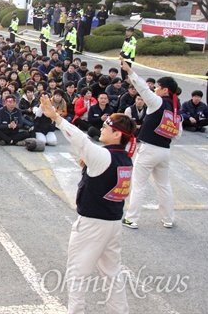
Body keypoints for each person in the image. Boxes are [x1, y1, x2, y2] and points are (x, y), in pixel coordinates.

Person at [38, 94, 136, 314]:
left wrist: (56, 118)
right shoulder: (125, 157)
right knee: (112, 272)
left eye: (107, 127)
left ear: (117, 134)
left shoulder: (104, 156)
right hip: (113, 222)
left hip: (93, 224)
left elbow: (80, 140)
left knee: (77, 274)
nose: (102, 128)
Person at [120, 58, 181, 229]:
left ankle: (132, 218)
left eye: (158, 87)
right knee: (164, 185)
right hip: (165, 151)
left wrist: (129, 71)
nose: (155, 89)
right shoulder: (176, 110)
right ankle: (168, 219)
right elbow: (178, 134)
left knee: (139, 184)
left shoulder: (157, 102)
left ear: (165, 90)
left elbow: (142, 88)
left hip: (149, 149)